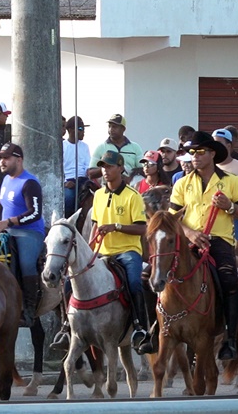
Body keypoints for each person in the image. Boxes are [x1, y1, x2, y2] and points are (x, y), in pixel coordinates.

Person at [54, 150, 150, 354]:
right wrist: (89, 250)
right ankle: (66, 327)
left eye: (109, 166)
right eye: (103, 167)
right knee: (71, 281)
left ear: (121, 168)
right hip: (101, 252)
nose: (105, 171)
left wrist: (116, 226)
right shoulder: (98, 195)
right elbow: (96, 226)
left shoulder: (133, 196)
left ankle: (140, 329)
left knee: (134, 282)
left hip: (127, 251)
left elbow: (142, 228)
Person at [170, 131, 238, 360]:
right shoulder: (181, 183)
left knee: (229, 279)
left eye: (200, 152)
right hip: (188, 241)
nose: (194, 157)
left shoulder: (231, 181)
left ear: (212, 154)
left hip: (219, 241)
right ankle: (154, 329)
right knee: (153, 275)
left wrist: (230, 207)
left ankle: (230, 338)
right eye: (192, 152)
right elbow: (171, 217)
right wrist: (189, 233)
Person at [0, 143, 45, 328]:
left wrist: (8, 222)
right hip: (7, 230)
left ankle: (29, 310)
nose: (2, 162)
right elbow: (2, 203)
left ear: (19, 160)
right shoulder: (6, 180)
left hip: (29, 232)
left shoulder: (29, 183)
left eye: (6, 158)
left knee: (26, 262)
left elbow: (34, 213)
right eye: (0, 158)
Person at [88, 114, 144, 181]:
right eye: (109, 126)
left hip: (130, 186)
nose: (111, 129)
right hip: (107, 188)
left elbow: (142, 169)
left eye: (114, 127)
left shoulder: (135, 147)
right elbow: (91, 173)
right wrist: (109, 167)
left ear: (123, 129)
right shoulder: (101, 148)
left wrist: (129, 176)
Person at [63, 116, 91, 218]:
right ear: (70, 130)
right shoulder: (62, 146)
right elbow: (60, 168)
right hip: (69, 180)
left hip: (83, 180)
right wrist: (65, 182)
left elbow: (88, 165)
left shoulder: (85, 146)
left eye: (83, 129)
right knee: (69, 198)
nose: (83, 132)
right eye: (80, 129)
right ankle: (66, 221)